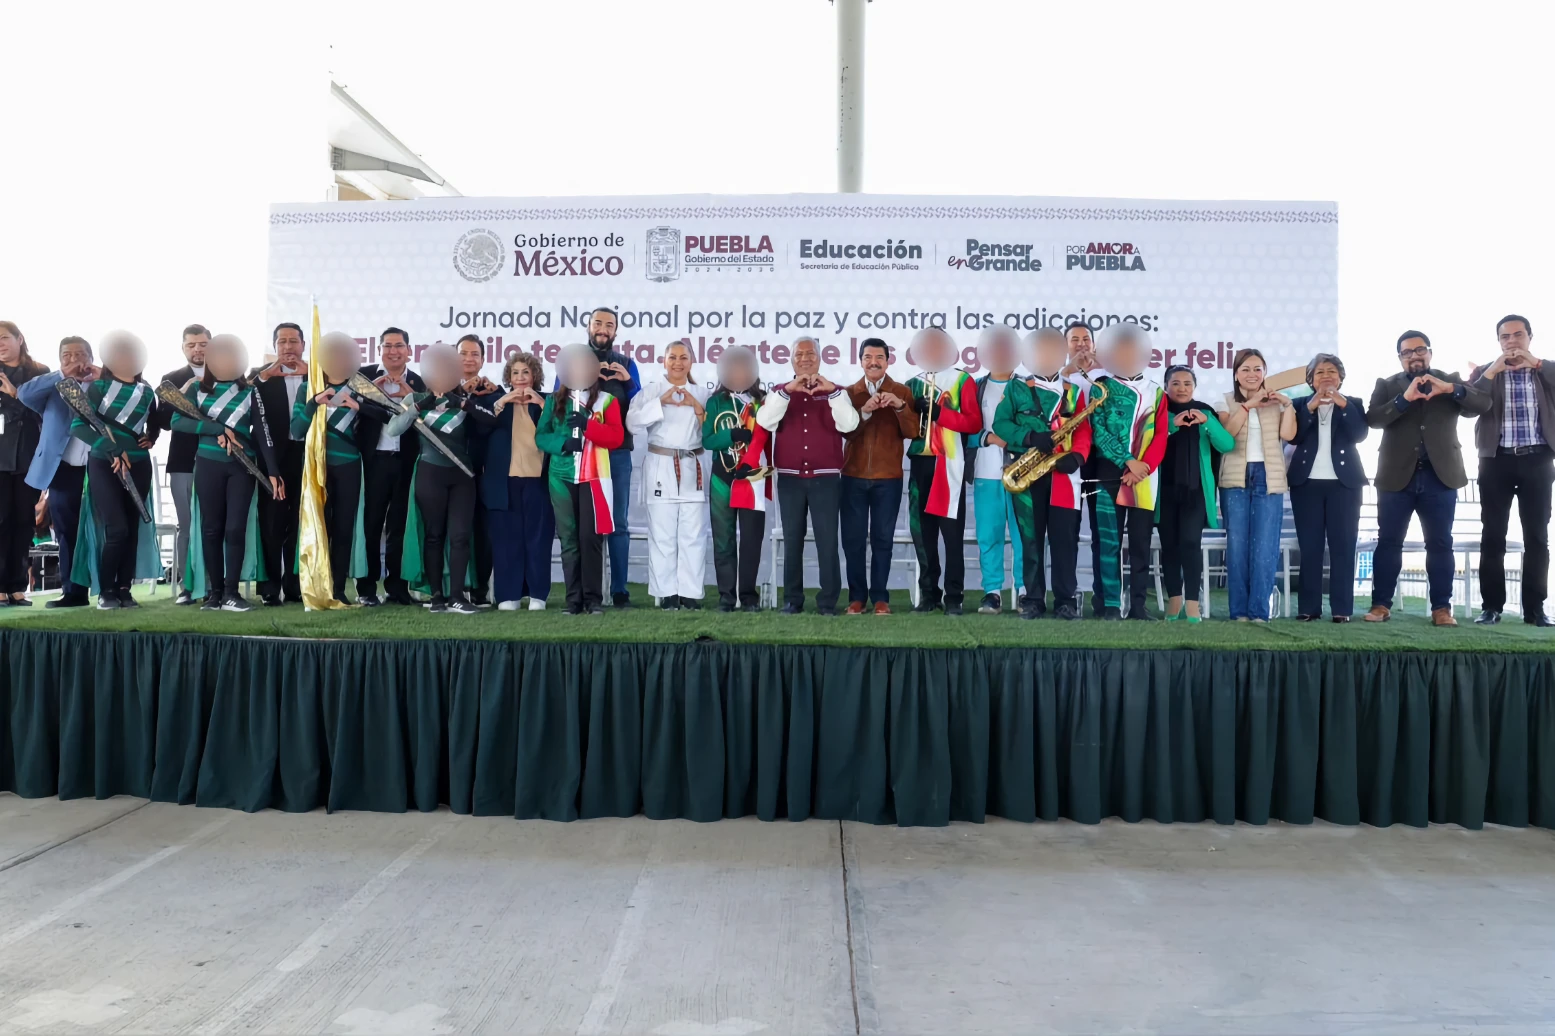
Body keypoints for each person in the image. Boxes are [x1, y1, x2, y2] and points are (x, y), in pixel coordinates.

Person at [1365, 331, 1491, 626]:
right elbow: (1373, 419)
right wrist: (1403, 400)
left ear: (1430, 353)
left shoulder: (1450, 380)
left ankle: (1441, 608)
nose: (1414, 356)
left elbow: (1482, 405)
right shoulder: (1387, 385)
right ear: (1400, 358)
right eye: (1407, 352)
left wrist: (1451, 389)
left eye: (1420, 349)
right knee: (1389, 541)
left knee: (1440, 543)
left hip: (1440, 475)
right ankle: (1381, 605)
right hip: (1396, 476)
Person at [169, 333, 284, 611]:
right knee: (211, 529)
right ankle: (215, 594)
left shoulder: (250, 391)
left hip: (243, 467)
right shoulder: (197, 390)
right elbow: (177, 421)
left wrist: (273, 470)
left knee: (235, 528)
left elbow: (263, 432)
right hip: (207, 464)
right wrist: (216, 428)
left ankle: (232, 592)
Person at [384, 343, 498, 615]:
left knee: (460, 536)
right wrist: (420, 405)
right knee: (434, 536)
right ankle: (436, 596)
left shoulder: (464, 398)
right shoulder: (414, 399)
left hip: (462, 476)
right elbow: (394, 429)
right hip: (430, 473)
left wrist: (464, 404)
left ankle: (457, 596)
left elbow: (491, 421)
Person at [757, 335, 860, 615]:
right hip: (790, 479)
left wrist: (833, 394)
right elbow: (765, 421)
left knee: (827, 540)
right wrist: (788, 391)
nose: (805, 359)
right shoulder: (780, 392)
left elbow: (850, 425)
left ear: (820, 358)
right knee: (792, 539)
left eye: (810, 354)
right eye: (799, 355)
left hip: (826, 479)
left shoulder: (836, 391)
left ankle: (828, 601)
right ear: (791, 360)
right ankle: (793, 600)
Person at [992, 328, 1091, 620]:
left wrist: (1078, 456)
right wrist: (1030, 437)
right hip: (1027, 473)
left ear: (1062, 355)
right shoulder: (1015, 388)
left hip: (1063, 477)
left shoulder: (1074, 391)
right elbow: (1001, 424)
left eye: (1053, 352)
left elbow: (1083, 429)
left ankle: (1066, 600)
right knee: (1030, 540)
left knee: (1064, 540)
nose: (1047, 357)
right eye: (1041, 352)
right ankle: (1034, 599)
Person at [1470, 315, 1554, 626]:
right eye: (1505, 336)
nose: (1512, 341)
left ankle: (1535, 610)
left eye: (1518, 334)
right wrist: (1491, 371)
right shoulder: (1486, 372)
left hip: (1537, 460)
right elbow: (1468, 405)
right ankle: (1492, 607)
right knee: (1493, 535)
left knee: (1537, 536)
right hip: (1496, 460)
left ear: (1530, 337)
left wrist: (1537, 363)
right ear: (1499, 342)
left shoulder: (1543, 370)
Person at [66, 330, 158, 609]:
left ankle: (124, 589)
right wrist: (111, 448)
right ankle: (106, 590)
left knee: (132, 528)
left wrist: (152, 436)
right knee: (116, 528)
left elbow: (153, 424)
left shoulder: (147, 391)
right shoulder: (99, 388)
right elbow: (79, 426)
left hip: (139, 465)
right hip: (104, 464)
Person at [292, 331, 381, 604]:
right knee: (319, 527)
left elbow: (387, 417)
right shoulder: (309, 388)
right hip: (316, 467)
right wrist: (314, 403)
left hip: (349, 466)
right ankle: (316, 586)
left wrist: (359, 405)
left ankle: (338, 589)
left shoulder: (361, 386)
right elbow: (296, 431)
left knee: (344, 529)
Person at [536, 343, 626, 615]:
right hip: (561, 476)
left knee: (591, 537)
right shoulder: (553, 401)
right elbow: (541, 437)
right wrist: (563, 444)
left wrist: (589, 426)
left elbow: (616, 438)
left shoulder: (606, 401)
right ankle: (573, 599)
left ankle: (593, 599)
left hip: (594, 477)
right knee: (569, 539)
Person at [1088, 324, 1168, 620]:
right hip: (1108, 475)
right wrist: (1126, 460)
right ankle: (1110, 604)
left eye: (1132, 351)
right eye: (1121, 351)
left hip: (1144, 478)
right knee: (1108, 541)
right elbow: (1098, 430)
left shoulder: (1156, 392)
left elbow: (1160, 436)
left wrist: (1141, 468)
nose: (1127, 356)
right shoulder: (1101, 388)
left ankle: (1137, 605)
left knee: (1139, 543)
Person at [901, 327, 982, 615]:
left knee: (951, 534)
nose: (933, 352)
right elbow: (904, 426)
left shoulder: (962, 380)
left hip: (949, 464)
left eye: (938, 346)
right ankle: (929, 594)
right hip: (920, 463)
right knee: (922, 533)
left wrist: (940, 414)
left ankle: (954, 596)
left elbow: (973, 423)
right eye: (927, 347)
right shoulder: (911, 384)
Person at [1217, 348, 1297, 623]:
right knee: (1237, 546)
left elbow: (1288, 434)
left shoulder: (1277, 402)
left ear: (1265, 372)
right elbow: (1227, 435)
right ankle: (1239, 611)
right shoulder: (1224, 400)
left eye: (1257, 369)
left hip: (1269, 476)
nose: (1252, 375)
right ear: (1236, 374)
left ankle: (1259, 611)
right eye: (1245, 369)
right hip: (1235, 478)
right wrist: (1248, 405)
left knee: (1265, 547)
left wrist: (1287, 404)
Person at [627, 339, 709, 609]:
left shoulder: (702, 393)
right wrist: (659, 403)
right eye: (672, 357)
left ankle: (690, 593)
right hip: (661, 466)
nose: (678, 363)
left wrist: (696, 407)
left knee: (693, 535)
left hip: (692, 466)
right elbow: (631, 423)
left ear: (691, 361)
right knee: (662, 535)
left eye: (683, 357)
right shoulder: (652, 391)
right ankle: (667, 593)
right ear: (664, 361)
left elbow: (710, 431)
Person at [19, 336, 99, 607]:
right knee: (66, 531)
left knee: (104, 528)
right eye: (67, 355)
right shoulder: (52, 386)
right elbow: (24, 394)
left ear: (91, 357)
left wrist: (103, 376)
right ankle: (73, 592)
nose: (74, 360)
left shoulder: (102, 384)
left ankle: (109, 590)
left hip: (98, 467)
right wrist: (62, 374)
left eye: (80, 354)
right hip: (63, 469)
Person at [1288, 354, 1368, 622]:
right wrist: (1311, 408)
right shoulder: (1299, 405)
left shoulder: (1353, 404)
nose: (1326, 376)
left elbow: (1359, 434)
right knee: (1310, 547)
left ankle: (1342, 609)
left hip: (1345, 485)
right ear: (1310, 379)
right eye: (1319, 372)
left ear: (1341, 378)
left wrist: (1341, 403)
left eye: (1332, 371)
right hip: (1306, 484)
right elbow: (1294, 436)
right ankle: (1308, 607)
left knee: (1343, 546)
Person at [841, 337, 914, 614]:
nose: (873, 362)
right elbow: (845, 432)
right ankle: (857, 597)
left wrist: (899, 406)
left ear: (888, 361)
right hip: (853, 475)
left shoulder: (902, 392)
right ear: (860, 361)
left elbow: (912, 432)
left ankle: (881, 597)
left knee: (883, 539)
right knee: (854, 540)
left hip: (889, 477)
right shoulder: (849, 393)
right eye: (868, 357)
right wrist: (864, 412)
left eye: (879, 357)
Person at [1155, 365, 1233, 622]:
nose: (1182, 388)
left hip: (1196, 492)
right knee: (1169, 546)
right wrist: (1172, 425)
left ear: (1194, 387)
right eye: (1175, 383)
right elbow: (1147, 441)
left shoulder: (1205, 412)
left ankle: (1192, 603)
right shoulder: (1158, 412)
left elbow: (1227, 444)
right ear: (1166, 386)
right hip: (1164, 492)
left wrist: (1207, 423)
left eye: (1187, 383)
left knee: (1190, 542)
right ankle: (1174, 601)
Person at [575, 309, 641, 608]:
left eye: (609, 325)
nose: (603, 329)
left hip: (617, 454)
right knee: (584, 525)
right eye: (598, 323)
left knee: (618, 523)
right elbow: (559, 399)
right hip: (581, 453)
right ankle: (584, 590)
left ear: (616, 332)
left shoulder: (627, 364)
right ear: (588, 326)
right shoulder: (574, 359)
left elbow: (640, 407)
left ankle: (619, 590)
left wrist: (627, 382)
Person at [354, 326, 425, 606]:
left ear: (409, 351)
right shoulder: (364, 376)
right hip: (373, 461)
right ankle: (367, 588)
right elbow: (352, 408)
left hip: (405, 462)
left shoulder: (420, 382)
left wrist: (411, 396)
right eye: (387, 346)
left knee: (399, 526)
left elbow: (427, 423)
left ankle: (397, 588)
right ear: (379, 350)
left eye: (399, 346)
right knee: (370, 525)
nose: (393, 351)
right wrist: (374, 395)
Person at [702, 346, 772, 612]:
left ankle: (749, 596)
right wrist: (730, 436)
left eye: (744, 368)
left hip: (752, 477)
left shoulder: (762, 401)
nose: (739, 373)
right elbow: (707, 441)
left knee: (752, 539)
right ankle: (727, 596)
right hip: (722, 476)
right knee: (723, 539)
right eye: (733, 368)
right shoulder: (715, 402)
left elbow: (769, 436)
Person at [484, 351, 554, 611]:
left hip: (539, 482)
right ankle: (508, 595)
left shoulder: (549, 401)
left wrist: (542, 404)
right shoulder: (496, 403)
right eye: (515, 373)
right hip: (504, 483)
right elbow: (480, 428)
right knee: (506, 540)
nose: (521, 377)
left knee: (538, 539)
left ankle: (538, 595)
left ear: (535, 375)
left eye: (526, 372)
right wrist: (502, 401)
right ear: (509, 377)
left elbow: (562, 428)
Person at [967, 326, 1025, 614]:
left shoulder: (1027, 387)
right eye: (995, 348)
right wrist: (988, 438)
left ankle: (1024, 590)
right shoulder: (974, 387)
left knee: (1023, 535)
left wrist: (1015, 439)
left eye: (1006, 348)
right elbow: (963, 429)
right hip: (986, 473)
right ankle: (992, 592)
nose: (1001, 353)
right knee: (989, 535)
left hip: (1023, 474)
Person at [253, 322, 308, 605]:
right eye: (282, 342)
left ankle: (296, 586)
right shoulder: (260, 376)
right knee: (272, 522)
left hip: (307, 456)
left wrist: (314, 375)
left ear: (303, 345)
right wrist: (264, 376)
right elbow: (244, 396)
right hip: (272, 458)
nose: (288, 347)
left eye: (293, 341)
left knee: (301, 521)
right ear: (274, 346)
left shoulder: (317, 374)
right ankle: (270, 588)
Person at [153, 324, 209, 605]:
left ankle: (214, 584)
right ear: (183, 348)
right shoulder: (171, 379)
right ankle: (188, 586)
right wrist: (181, 394)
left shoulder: (227, 373)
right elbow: (163, 421)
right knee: (186, 525)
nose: (197, 349)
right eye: (191, 345)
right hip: (182, 461)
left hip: (219, 460)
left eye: (203, 344)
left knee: (213, 525)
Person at [0, 321, 49, 606]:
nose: (0, 344)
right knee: (1, 520)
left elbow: (45, 413)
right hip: (1, 456)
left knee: (24, 521)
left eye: (4, 337)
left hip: (29, 456)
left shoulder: (39, 372)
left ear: (20, 339)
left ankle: (17, 586)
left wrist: (15, 396)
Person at [455, 333, 500, 605]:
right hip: (447, 471)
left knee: (483, 533)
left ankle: (480, 590)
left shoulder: (491, 391)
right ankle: (451, 588)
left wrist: (492, 393)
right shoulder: (441, 387)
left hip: (481, 473)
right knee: (454, 532)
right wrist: (461, 393)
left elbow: (495, 422)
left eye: (475, 354)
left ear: (483, 360)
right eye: (463, 353)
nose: (469, 359)